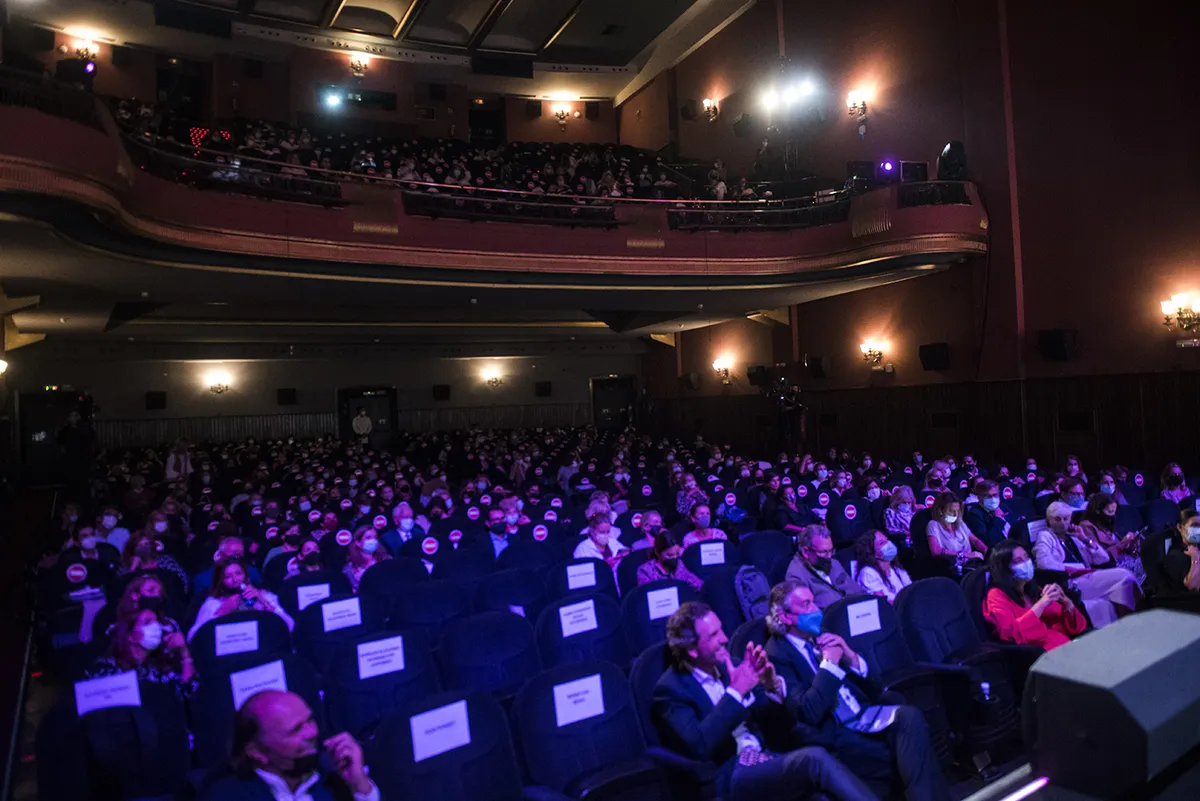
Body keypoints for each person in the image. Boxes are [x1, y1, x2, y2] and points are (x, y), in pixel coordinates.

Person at [652, 602, 878, 801]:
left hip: (767, 757)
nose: (724, 639)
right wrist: (736, 692)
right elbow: (699, 746)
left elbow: (778, 725)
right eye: (713, 635)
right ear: (692, 650)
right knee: (815, 758)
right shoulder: (670, 690)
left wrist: (771, 687)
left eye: (721, 630)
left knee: (822, 797)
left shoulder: (733, 665)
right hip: (733, 773)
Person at [764, 582, 948, 801]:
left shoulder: (819, 635)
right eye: (806, 605)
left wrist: (850, 656)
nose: (815, 610)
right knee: (911, 749)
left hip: (861, 714)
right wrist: (830, 665)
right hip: (833, 732)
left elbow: (874, 688)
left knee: (910, 717)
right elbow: (809, 711)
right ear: (785, 617)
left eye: (814, 602)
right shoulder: (776, 655)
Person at [199, 690, 379, 801]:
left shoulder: (334, 779)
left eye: (310, 720)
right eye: (296, 730)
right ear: (257, 751)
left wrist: (360, 785)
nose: (312, 733)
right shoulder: (225, 796)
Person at [1031, 501, 1139, 628]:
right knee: (1124, 575)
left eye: (1066, 519)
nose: (1063, 523)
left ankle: (1126, 629)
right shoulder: (1045, 536)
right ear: (1049, 521)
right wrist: (1071, 569)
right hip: (1070, 582)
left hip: (1086, 577)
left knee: (1119, 591)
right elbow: (1043, 563)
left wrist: (1085, 539)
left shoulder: (1074, 537)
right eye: (1057, 519)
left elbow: (1103, 558)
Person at [983, 541, 1086, 650]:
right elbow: (1010, 634)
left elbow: (1077, 628)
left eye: (1026, 557)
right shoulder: (996, 595)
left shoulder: (1032, 589)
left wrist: (1066, 602)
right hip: (1042, 655)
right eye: (1018, 561)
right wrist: (1041, 605)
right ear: (1004, 570)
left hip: (1067, 646)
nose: (1026, 563)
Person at [85, 607, 197, 700]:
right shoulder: (107, 667)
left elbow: (187, 691)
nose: (156, 627)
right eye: (147, 622)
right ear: (130, 636)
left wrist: (184, 653)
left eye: (156, 622)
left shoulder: (158, 667)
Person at [188, 560, 293, 640]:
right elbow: (192, 637)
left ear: (245, 575)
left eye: (238, 573)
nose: (235, 579)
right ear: (221, 581)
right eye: (228, 576)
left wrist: (264, 602)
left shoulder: (263, 596)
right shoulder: (214, 603)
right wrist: (221, 612)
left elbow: (290, 625)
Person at [784, 526, 866, 609]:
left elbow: (857, 591)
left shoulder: (834, 563)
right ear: (806, 552)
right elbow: (807, 612)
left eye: (831, 550)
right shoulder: (796, 575)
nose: (829, 556)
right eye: (823, 552)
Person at [1077, 493, 1144, 583]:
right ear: (1097, 511)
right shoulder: (1086, 527)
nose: (1113, 515)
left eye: (1114, 512)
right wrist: (1121, 545)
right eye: (1109, 512)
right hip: (1105, 569)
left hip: (1121, 563)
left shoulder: (1107, 525)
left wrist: (1130, 544)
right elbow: (1098, 557)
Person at [925, 493, 987, 567]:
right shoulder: (933, 525)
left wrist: (987, 551)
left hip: (972, 563)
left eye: (957, 511)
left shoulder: (960, 523)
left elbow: (975, 541)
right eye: (952, 511)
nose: (956, 514)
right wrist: (965, 555)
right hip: (953, 567)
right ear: (941, 511)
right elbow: (936, 551)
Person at [119, 530, 189, 594]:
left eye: (146, 544)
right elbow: (120, 589)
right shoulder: (126, 565)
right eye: (139, 545)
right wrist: (132, 569)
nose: (143, 548)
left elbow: (182, 580)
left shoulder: (166, 561)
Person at [853, 531, 912, 604]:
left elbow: (911, 592)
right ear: (871, 552)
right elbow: (883, 603)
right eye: (881, 543)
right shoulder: (868, 573)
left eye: (887, 540)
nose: (888, 544)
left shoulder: (897, 570)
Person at [194, 535, 262, 596]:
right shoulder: (203, 579)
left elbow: (262, 593)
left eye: (241, 553)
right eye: (234, 552)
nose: (238, 556)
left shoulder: (253, 572)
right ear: (221, 554)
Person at [637, 530, 703, 591]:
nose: (674, 557)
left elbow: (698, 584)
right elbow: (646, 593)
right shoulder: (645, 570)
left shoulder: (680, 564)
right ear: (657, 552)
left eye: (677, 554)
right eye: (670, 555)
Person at [1162, 508, 1200, 594]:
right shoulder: (1175, 555)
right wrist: (1196, 557)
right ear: (1180, 527)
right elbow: (1193, 585)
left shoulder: (1197, 547)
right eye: (1195, 525)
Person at [964, 480, 1011, 549]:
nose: (993, 499)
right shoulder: (974, 514)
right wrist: (998, 518)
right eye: (988, 496)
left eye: (995, 495)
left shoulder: (1003, 507)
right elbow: (989, 541)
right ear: (979, 497)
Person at [343, 526, 388, 593]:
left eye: (375, 537)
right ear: (358, 543)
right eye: (368, 538)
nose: (373, 540)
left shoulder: (386, 560)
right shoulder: (349, 569)